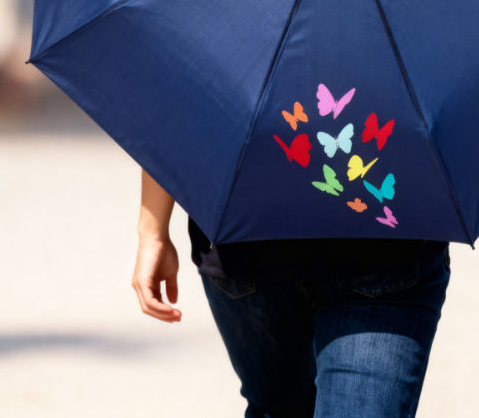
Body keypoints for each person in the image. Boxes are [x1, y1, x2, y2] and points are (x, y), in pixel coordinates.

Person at [133, 169, 451, 418]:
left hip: (246, 239)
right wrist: (152, 234)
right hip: (384, 243)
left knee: (279, 411)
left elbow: (182, 97)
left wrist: (153, 231)